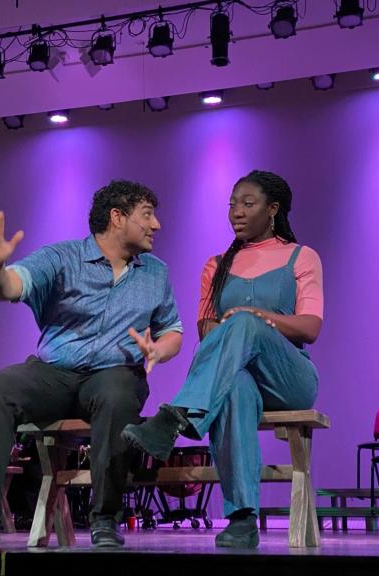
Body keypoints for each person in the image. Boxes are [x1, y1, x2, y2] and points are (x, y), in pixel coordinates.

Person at [0, 180, 183, 551]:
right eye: (147, 215)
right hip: (55, 373)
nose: (157, 225)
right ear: (117, 217)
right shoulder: (61, 257)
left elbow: (173, 331)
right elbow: (9, 286)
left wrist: (158, 350)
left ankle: (105, 518)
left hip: (113, 375)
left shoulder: (156, 272)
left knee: (118, 395)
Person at [122, 170, 323, 549]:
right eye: (232, 204)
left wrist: (259, 319)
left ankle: (173, 418)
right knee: (232, 391)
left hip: (289, 378)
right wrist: (240, 324)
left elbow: (310, 327)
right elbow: (207, 334)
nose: (237, 212)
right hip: (238, 374)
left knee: (245, 321)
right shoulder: (216, 266)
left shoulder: (301, 256)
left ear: (273, 209)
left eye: (248, 204)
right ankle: (242, 519)